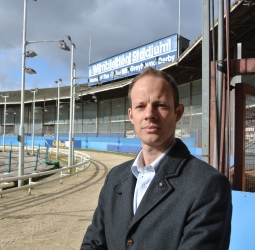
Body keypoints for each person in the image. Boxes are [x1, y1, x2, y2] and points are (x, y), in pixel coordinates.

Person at [81, 67, 232, 250]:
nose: (149, 114)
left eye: (160, 105)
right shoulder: (115, 177)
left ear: (178, 113)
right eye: (141, 106)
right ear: (131, 116)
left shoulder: (208, 185)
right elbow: (93, 243)